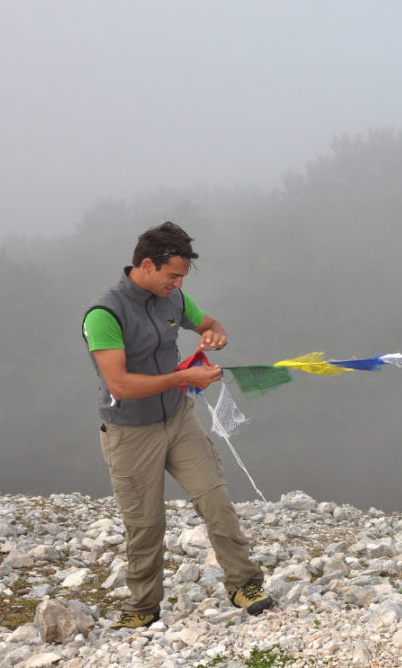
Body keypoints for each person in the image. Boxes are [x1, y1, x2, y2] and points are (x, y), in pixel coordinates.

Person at [81, 221, 274, 630]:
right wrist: (185, 378)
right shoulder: (104, 314)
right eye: (173, 276)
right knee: (146, 523)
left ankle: (245, 585)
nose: (178, 284)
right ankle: (142, 607)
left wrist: (215, 337)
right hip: (130, 431)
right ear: (147, 265)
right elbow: (120, 384)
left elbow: (210, 325)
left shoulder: (174, 299)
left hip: (178, 418)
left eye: (182, 278)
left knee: (215, 500)